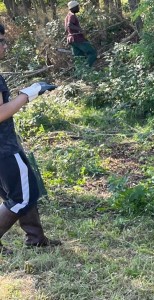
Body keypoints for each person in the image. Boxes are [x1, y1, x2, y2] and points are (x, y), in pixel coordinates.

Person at [0, 24, 60, 255]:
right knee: (23, 195)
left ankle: (36, 239)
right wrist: (28, 94)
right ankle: (35, 239)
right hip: (4, 148)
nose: (5, 46)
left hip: (4, 147)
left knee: (21, 191)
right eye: (1, 41)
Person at [65, 1, 97, 67]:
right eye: (77, 7)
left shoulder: (67, 16)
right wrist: (81, 30)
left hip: (71, 40)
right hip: (77, 39)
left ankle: (81, 74)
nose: (78, 8)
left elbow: (66, 29)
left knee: (79, 58)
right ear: (73, 8)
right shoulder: (72, 16)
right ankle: (86, 68)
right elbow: (69, 25)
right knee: (92, 53)